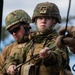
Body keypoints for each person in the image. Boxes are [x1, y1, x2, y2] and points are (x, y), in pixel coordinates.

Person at [2, 2, 73, 75]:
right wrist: (11, 65)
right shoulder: (31, 42)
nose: (43, 21)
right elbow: (13, 58)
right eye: (40, 18)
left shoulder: (58, 41)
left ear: (54, 22)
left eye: (47, 18)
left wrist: (49, 56)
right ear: (35, 21)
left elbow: (60, 61)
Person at [0, 9, 32, 75]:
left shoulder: (40, 43)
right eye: (11, 31)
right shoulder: (7, 50)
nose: (14, 33)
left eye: (16, 29)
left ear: (27, 25)